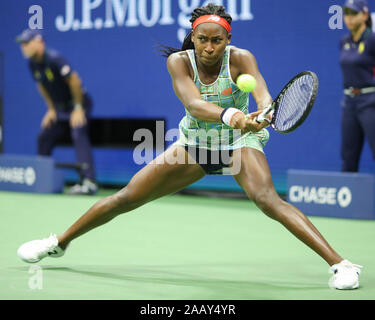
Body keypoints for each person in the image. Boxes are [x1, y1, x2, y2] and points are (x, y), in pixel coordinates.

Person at [17, 4, 361, 290]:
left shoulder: (242, 59)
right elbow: (195, 105)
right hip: (196, 142)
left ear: (228, 39)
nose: (208, 48)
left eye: (217, 41)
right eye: (202, 40)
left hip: (240, 141)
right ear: (192, 37)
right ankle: (58, 243)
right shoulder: (179, 62)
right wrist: (232, 114)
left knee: (268, 199)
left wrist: (264, 111)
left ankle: (342, 264)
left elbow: (264, 95)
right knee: (126, 197)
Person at [16, 29, 98, 195]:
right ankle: (40, 179)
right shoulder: (32, 64)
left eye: (26, 43)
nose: (23, 47)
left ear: (39, 43)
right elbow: (41, 85)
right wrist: (51, 109)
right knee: (44, 136)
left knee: (78, 133)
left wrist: (77, 108)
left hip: (79, 104)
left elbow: (75, 81)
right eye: (21, 44)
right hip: (60, 108)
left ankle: (88, 182)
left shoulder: (54, 58)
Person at [339, 0, 375, 172]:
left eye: (354, 13)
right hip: (349, 103)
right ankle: (348, 197)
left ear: (365, 15)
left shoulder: (373, 40)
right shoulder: (344, 42)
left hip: (370, 102)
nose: (349, 18)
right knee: (348, 156)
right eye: (346, 13)